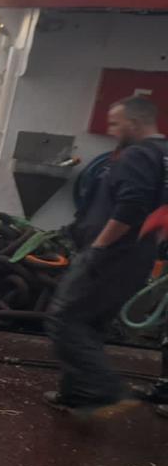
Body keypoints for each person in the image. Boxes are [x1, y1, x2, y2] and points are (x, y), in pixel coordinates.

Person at [45, 95, 168, 417]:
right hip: (139, 255)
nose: (113, 131)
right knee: (89, 324)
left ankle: (103, 392)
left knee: (65, 319)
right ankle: (76, 394)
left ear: (135, 123)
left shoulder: (138, 155)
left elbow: (131, 206)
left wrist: (98, 247)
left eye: (116, 123)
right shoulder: (163, 154)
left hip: (112, 256)